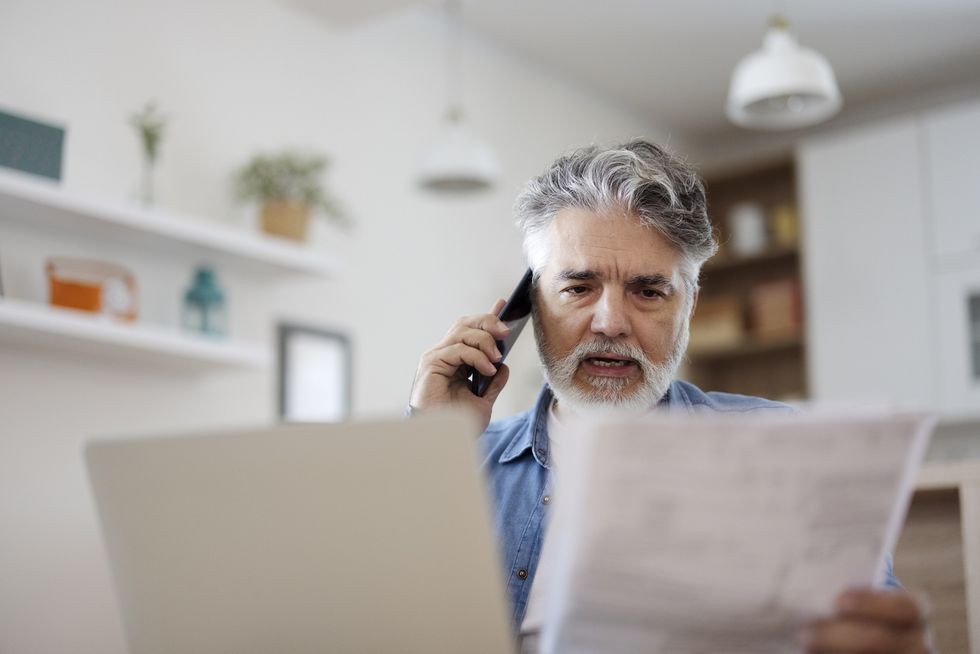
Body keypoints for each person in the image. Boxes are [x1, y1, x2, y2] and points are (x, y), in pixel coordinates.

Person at [409, 140, 930, 653]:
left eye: (648, 291)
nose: (610, 322)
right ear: (530, 307)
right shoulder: (460, 461)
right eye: (577, 288)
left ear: (690, 305)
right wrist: (434, 445)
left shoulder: (783, 450)